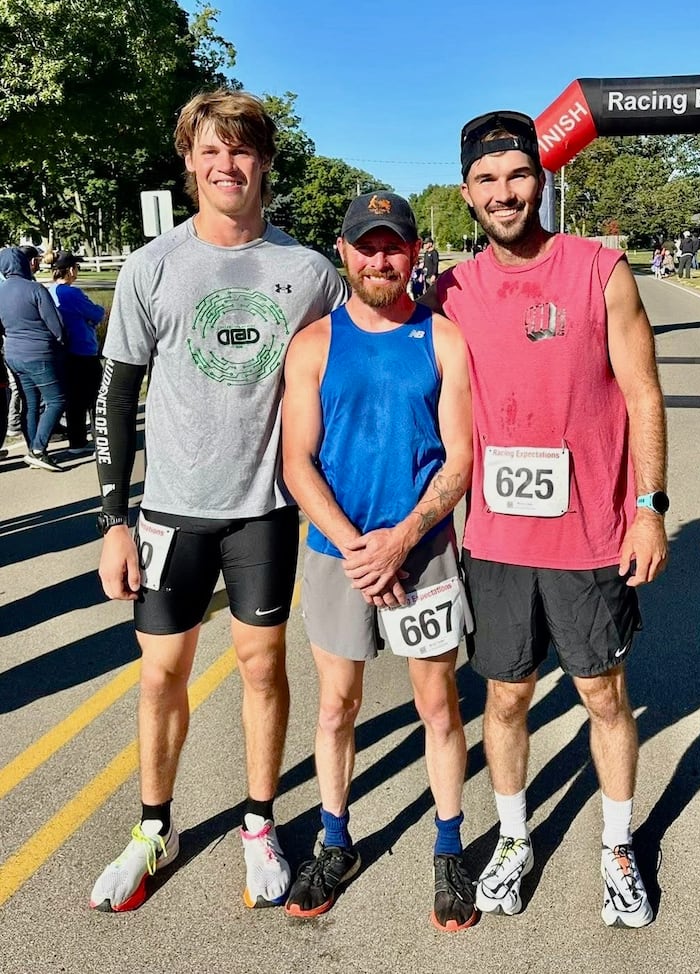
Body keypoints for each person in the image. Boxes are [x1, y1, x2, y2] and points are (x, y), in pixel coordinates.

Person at [89, 88, 347, 914]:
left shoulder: (309, 273)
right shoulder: (151, 266)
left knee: (261, 668)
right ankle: (152, 828)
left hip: (263, 510)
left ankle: (259, 822)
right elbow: (115, 398)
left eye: (240, 150)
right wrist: (113, 522)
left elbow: (351, 374)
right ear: (190, 163)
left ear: (264, 162)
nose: (225, 164)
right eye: (210, 150)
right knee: (160, 675)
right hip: (171, 512)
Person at [422, 110, 668, 927]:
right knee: (504, 699)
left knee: (603, 694)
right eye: (487, 180)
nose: (504, 193)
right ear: (467, 194)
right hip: (496, 539)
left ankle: (618, 847)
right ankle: (515, 837)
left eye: (518, 175)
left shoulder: (600, 271)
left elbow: (643, 394)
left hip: (591, 533)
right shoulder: (451, 291)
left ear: (541, 180)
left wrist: (649, 508)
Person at [280, 191, 476, 931]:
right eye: (367, 246)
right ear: (344, 251)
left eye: (393, 245)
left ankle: (449, 848)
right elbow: (297, 463)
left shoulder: (443, 340)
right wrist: (357, 546)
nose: (380, 259)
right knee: (337, 706)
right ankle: (335, 841)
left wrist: (402, 538)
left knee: (438, 705)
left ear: (414, 252)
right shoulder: (313, 344)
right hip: (338, 556)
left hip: (424, 556)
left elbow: (459, 461)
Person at [0, 246, 67, 471]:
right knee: (57, 400)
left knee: (30, 403)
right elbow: (55, 324)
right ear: (22, 263)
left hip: (13, 354)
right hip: (38, 353)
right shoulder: (34, 288)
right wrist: (61, 342)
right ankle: (38, 450)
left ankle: (33, 448)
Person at [47, 252, 106, 454]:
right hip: (82, 349)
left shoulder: (49, 292)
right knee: (94, 396)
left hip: (63, 351)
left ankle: (76, 440)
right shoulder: (72, 293)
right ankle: (100, 436)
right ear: (71, 270)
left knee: (73, 398)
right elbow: (96, 313)